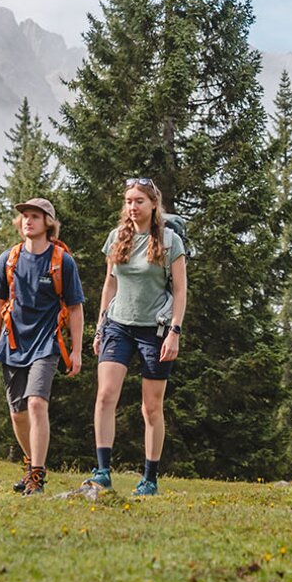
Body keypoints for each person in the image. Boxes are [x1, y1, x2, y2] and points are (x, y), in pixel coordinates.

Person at [88, 178, 186, 496]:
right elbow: (110, 284)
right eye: (129, 201)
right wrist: (101, 325)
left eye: (139, 201)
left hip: (155, 330)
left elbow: (182, 291)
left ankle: (150, 478)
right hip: (118, 324)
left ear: (153, 204)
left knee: (151, 407)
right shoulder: (117, 238)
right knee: (105, 396)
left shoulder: (170, 241)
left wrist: (175, 331)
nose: (132, 207)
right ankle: (102, 472)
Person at [0, 197, 84, 495]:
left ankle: (37, 478)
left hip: (46, 342)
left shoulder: (61, 261)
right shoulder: (8, 259)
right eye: (25, 216)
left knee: (37, 403)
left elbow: (75, 308)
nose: (28, 220)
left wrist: (76, 350)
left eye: (35, 216)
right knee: (18, 413)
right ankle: (30, 465)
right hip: (12, 343)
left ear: (48, 223)